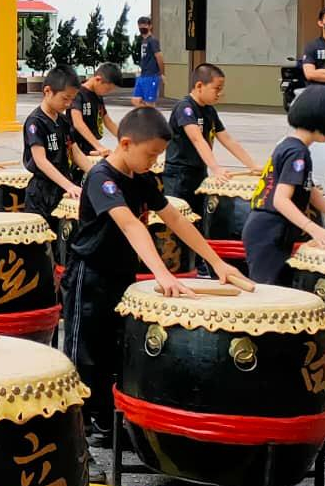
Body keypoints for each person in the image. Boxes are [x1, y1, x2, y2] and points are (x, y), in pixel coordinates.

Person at [62, 107, 252, 462]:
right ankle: (74, 443)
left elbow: (174, 218)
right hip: (90, 276)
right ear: (125, 142)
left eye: (158, 156)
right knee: (83, 357)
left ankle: (106, 423)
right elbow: (132, 226)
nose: (154, 161)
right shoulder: (102, 178)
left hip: (120, 274)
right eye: (150, 154)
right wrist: (163, 274)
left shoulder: (142, 177)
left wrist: (216, 262)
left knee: (116, 350)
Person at [241, 84, 325, 286]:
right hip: (269, 232)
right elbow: (281, 200)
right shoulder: (298, 153)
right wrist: (314, 229)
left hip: (270, 230)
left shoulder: (290, 146)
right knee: (269, 293)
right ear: (322, 122)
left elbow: (316, 197)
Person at [161, 63, 263, 203]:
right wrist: (216, 168)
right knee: (180, 215)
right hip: (179, 173)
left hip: (199, 170)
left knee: (199, 216)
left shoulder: (209, 110)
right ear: (199, 86)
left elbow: (227, 139)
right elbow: (197, 139)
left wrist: (252, 165)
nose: (220, 93)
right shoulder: (185, 108)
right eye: (217, 89)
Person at [22, 65, 84, 231]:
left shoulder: (63, 121)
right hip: (42, 192)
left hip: (61, 187)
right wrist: (69, 186)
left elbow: (76, 153)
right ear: (48, 91)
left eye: (72, 99)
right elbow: (41, 161)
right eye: (65, 98)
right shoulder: (35, 122)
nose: (69, 104)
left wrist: (100, 173)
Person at [69, 62, 121, 161]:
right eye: (107, 89)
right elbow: (78, 123)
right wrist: (99, 146)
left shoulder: (98, 95)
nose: (107, 93)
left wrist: (123, 138)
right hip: (76, 146)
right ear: (98, 79)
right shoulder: (78, 93)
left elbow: (107, 121)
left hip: (91, 145)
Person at [133, 15, 164, 105]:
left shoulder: (153, 40)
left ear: (150, 26)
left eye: (145, 25)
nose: (142, 27)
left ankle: (151, 118)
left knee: (149, 103)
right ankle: (144, 117)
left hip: (151, 75)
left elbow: (159, 57)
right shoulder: (143, 41)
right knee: (136, 100)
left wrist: (162, 73)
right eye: (140, 25)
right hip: (143, 74)